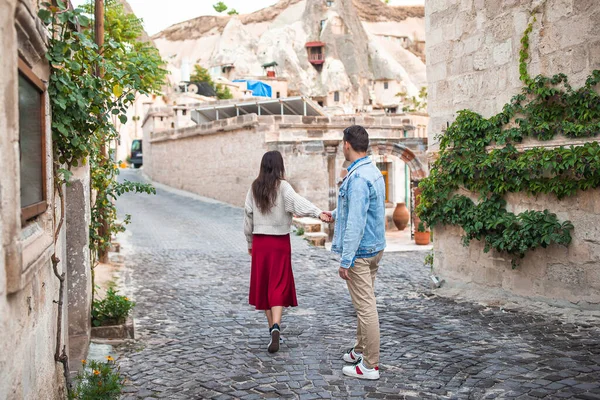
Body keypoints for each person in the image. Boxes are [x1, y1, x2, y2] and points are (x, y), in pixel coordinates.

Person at [244, 150, 331, 353]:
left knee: (264, 285)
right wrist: (318, 212)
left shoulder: (254, 188)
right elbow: (299, 204)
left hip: (260, 242)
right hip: (280, 243)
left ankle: (271, 330)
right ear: (279, 166)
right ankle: (276, 326)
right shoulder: (283, 187)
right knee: (277, 284)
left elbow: (247, 216)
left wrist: (249, 242)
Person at [325, 125, 386, 380]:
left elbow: (357, 223)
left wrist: (346, 260)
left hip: (361, 252)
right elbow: (360, 209)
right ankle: (361, 350)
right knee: (365, 303)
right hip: (374, 248)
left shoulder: (359, 178)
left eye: (342, 144)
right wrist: (335, 215)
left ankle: (370, 366)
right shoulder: (371, 171)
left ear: (347, 144)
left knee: (365, 307)